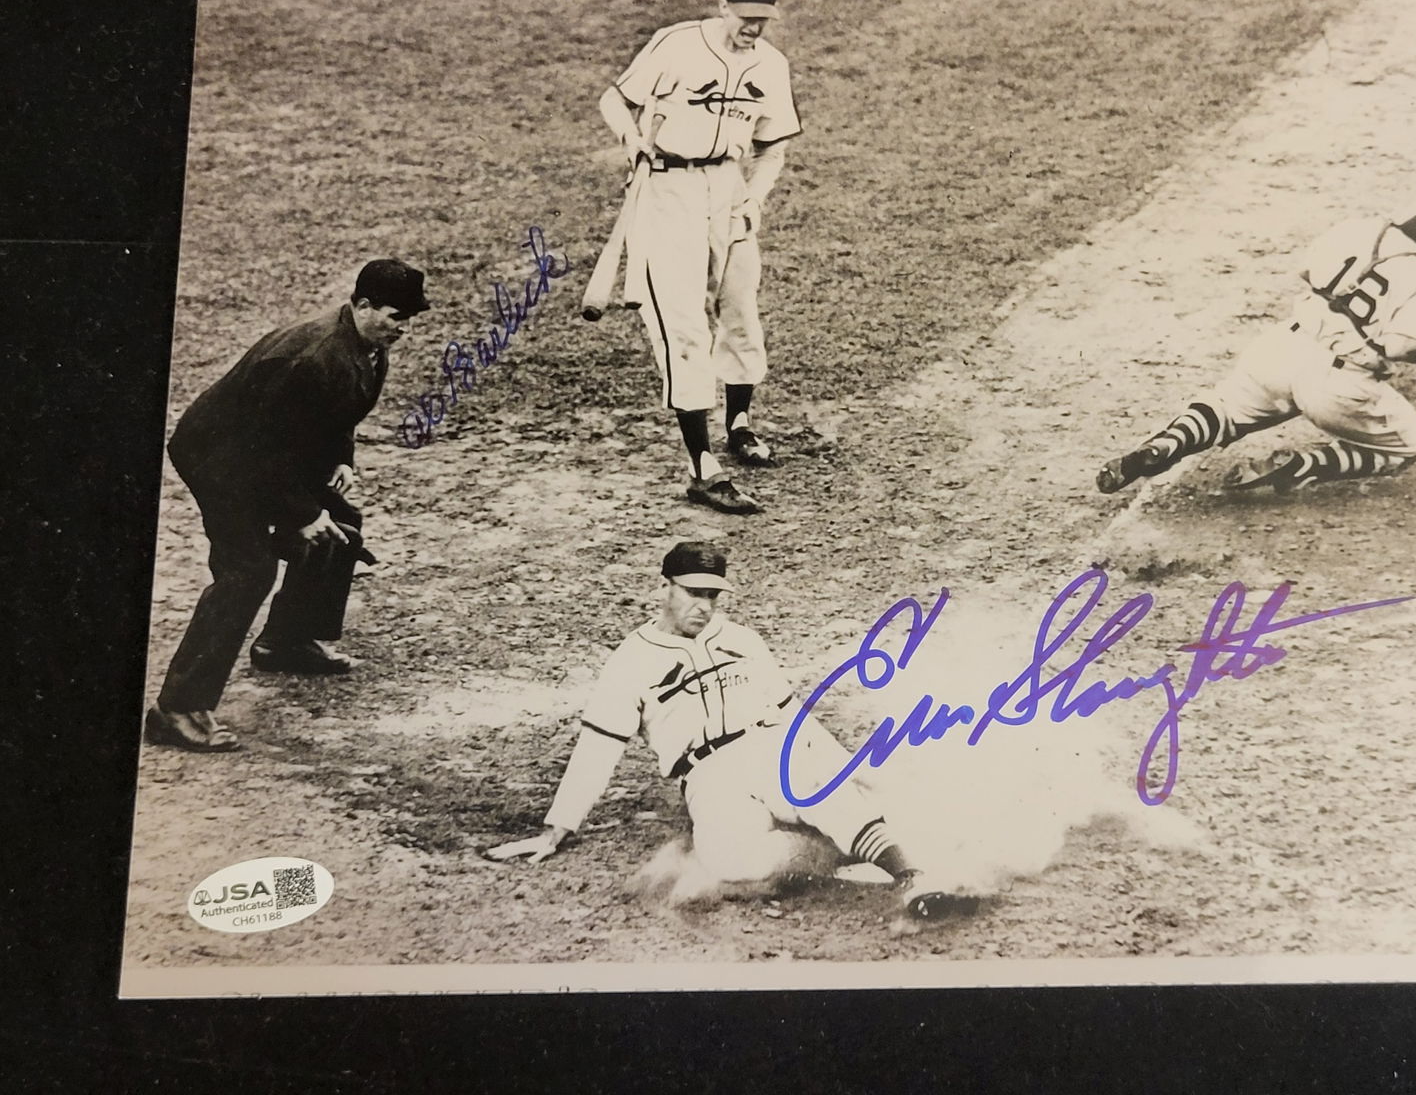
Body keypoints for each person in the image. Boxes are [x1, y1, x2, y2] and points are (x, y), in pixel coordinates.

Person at [488, 542, 975, 923]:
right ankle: (838, 852)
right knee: (728, 864)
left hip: (770, 745)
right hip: (707, 774)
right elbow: (598, 747)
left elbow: (792, 714)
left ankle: (914, 878)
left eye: (712, 595)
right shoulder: (631, 660)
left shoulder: (743, 640)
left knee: (827, 792)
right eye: (692, 592)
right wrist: (556, 829)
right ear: (664, 588)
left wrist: (847, 765)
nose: (703, 605)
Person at [144, 260, 429, 752]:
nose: (403, 329)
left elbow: (338, 411)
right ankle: (177, 709)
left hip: (268, 455)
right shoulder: (308, 358)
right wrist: (302, 513)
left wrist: (342, 461)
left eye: (409, 319)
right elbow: (259, 450)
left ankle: (286, 641)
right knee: (247, 571)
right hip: (222, 461)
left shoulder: (366, 344)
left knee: (342, 522)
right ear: (361, 306)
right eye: (395, 316)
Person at [1096, 192, 1416, 496]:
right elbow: (1400, 347)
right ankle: (1306, 465)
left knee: (1225, 409)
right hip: (1340, 384)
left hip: (1282, 347)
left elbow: (1306, 272)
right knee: (1408, 444)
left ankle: (1167, 443)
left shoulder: (1361, 228)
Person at [599, 0, 802, 514]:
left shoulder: (771, 65)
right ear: (722, 8)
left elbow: (772, 150)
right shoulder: (676, 43)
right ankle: (701, 466)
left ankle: (738, 423)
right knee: (683, 325)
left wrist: (752, 202)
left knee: (740, 307)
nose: (753, 30)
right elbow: (614, 100)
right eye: (744, 19)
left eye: (762, 21)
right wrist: (632, 137)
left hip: (728, 189)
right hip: (665, 190)